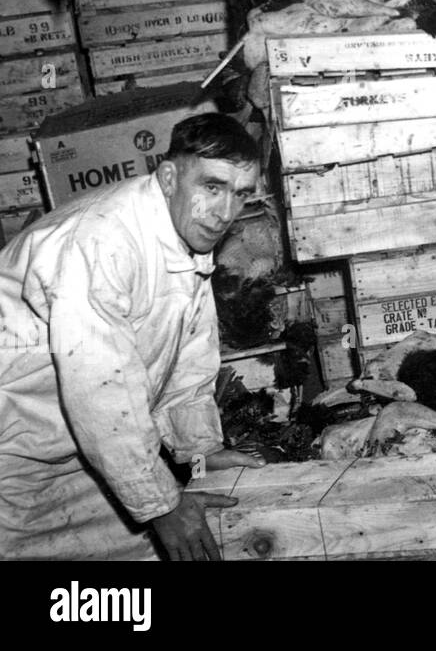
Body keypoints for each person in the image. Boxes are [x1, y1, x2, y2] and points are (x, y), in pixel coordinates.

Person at [0, 113, 268, 561]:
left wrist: (199, 448)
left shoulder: (183, 237)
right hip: (14, 454)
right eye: (212, 187)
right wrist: (161, 506)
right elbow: (100, 384)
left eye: (240, 194)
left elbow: (187, 356)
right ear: (168, 177)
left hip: (80, 449)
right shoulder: (105, 239)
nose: (224, 214)